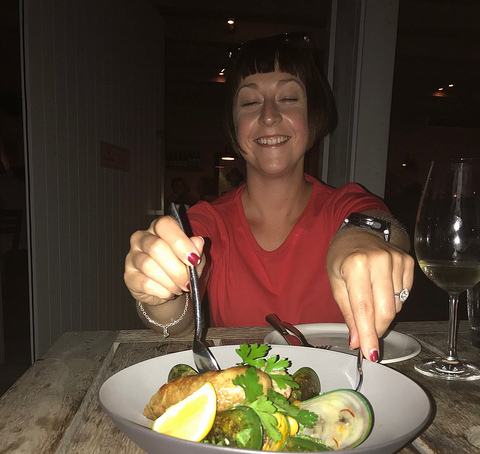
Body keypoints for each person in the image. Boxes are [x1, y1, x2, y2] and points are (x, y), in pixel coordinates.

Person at [125, 34, 414, 362]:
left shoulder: (343, 204)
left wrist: (360, 239)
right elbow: (178, 326)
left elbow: (384, 225)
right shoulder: (207, 222)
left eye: (288, 98)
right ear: (234, 126)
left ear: (313, 116)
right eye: (250, 103)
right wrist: (159, 294)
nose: (268, 115)